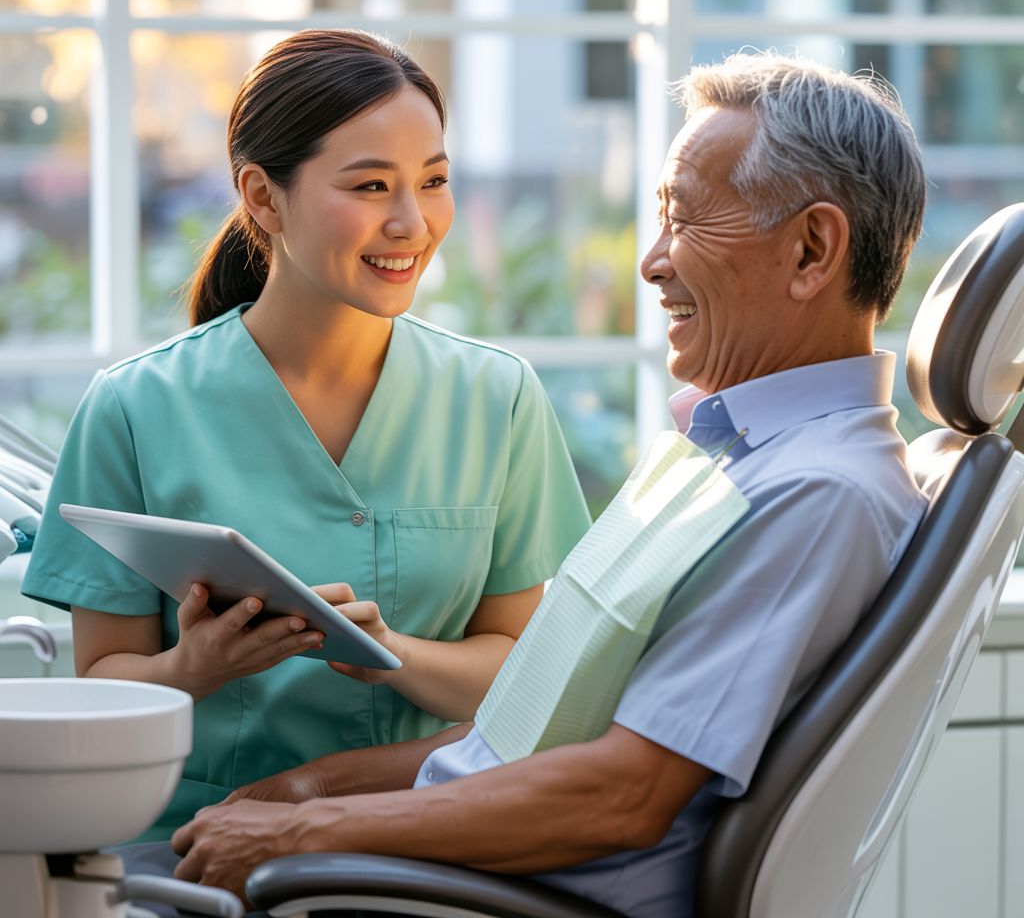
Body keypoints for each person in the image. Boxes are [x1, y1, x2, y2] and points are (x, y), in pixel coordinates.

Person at [164, 50, 929, 918]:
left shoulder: (817, 494)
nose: (651, 261)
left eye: (684, 220)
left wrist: (301, 835)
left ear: (812, 248)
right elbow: (527, 731)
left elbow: (621, 795)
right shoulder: (727, 458)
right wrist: (310, 790)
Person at [20, 29, 592, 841]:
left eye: (433, 181)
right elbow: (101, 686)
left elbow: (527, 676)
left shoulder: (496, 398)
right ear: (261, 196)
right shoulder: (133, 408)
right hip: (187, 843)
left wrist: (392, 652)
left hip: (422, 843)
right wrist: (197, 667)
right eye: (369, 186)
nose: (412, 223)